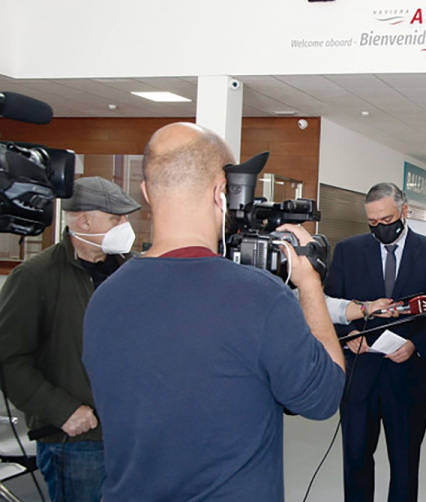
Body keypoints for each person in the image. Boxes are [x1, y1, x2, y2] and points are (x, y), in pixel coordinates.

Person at [81, 122, 346, 500]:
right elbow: (323, 397)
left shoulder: (104, 299)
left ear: (145, 193)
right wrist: (310, 284)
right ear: (221, 192)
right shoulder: (260, 298)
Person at [0, 176, 141, 502]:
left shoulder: (130, 271)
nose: (125, 225)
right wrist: (62, 411)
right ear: (84, 220)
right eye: (116, 218)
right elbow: (9, 359)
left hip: (131, 434)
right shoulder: (36, 277)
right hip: (77, 442)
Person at [324, 182, 426, 502]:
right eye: (373, 222)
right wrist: (347, 337)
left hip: (409, 377)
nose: (380, 227)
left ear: (404, 211)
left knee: (405, 464)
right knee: (355, 458)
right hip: (359, 375)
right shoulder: (348, 251)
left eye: (386, 220)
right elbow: (328, 303)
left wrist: (416, 345)